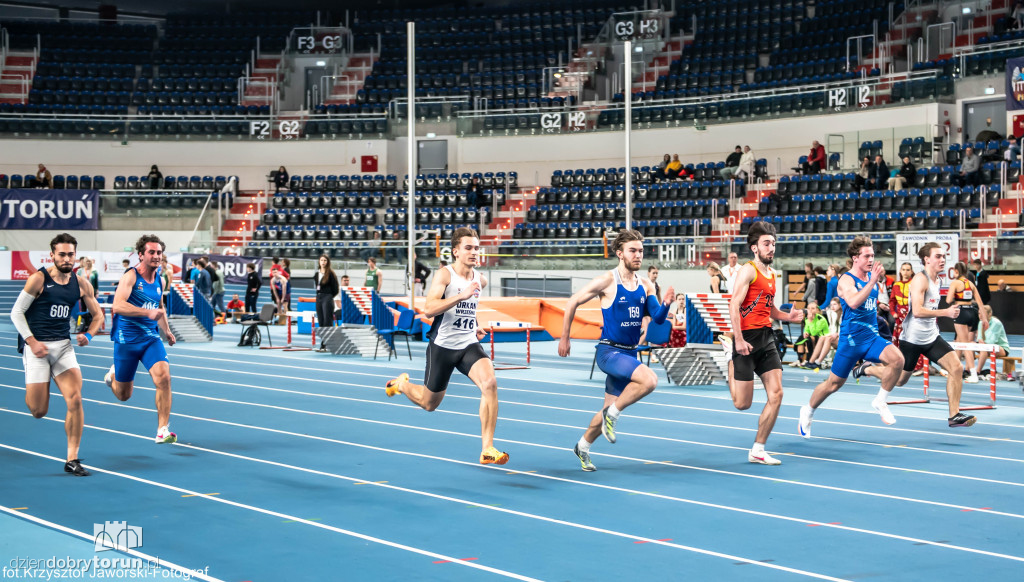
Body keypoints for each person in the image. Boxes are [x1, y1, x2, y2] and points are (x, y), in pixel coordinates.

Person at [384, 228, 510, 465]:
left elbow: (470, 309)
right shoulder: (445, 275)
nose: (474, 252)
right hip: (442, 346)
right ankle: (401, 384)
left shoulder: (479, 280)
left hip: (467, 344)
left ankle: (487, 448)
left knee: (490, 383)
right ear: (456, 252)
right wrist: (460, 296)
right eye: (468, 248)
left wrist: (475, 325)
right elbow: (429, 309)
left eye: (476, 248)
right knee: (429, 404)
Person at [557, 229, 674, 471]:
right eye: (633, 250)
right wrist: (564, 338)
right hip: (610, 353)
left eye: (641, 250)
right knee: (650, 380)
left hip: (629, 353)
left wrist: (666, 304)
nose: (638, 255)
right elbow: (572, 302)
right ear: (620, 254)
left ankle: (582, 446)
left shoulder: (645, 284)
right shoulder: (607, 281)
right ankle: (614, 413)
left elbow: (658, 319)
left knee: (603, 414)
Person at [11, 233, 103, 476]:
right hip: (37, 348)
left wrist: (90, 335)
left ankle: (72, 458)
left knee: (75, 399)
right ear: (52, 255)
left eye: (70, 254)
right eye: (61, 254)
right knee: (38, 411)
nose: (66, 258)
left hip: (63, 347)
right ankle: (37, 384)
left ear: (76, 255)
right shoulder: (37, 279)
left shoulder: (82, 283)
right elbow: (16, 313)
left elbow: (99, 315)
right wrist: (31, 342)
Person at [858, 243, 977, 427]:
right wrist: (945, 313)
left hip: (931, 338)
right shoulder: (921, 280)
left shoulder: (938, 280)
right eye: (938, 256)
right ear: (926, 259)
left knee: (956, 368)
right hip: (912, 340)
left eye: (944, 256)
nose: (943, 259)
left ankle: (954, 415)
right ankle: (867, 369)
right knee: (899, 381)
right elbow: (919, 311)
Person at [798, 236, 906, 438]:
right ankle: (808, 410)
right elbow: (854, 302)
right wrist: (873, 281)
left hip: (871, 337)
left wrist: (878, 306)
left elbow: (866, 306)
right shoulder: (847, 279)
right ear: (856, 258)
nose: (871, 259)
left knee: (898, 360)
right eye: (867, 256)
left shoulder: (870, 279)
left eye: (873, 255)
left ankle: (880, 400)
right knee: (834, 384)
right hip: (851, 341)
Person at [720, 221, 804, 464]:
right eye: (766, 243)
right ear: (754, 247)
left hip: (766, 338)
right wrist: (738, 341)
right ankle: (730, 361)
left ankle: (758, 448)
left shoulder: (771, 274)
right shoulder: (748, 271)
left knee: (777, 394)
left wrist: (788, 316)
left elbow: (770, 309)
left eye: (773, 244)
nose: (771, 248)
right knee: (742, 404)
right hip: (745, 339)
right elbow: (734, 305)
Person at [103, 235, 178, 444]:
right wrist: (146, 313)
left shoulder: (160, 279)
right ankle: (113, 376)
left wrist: (167, 331)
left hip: (150, 339)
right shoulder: (131, 276)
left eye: (159, 253)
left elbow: (159, 308)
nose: (156, 256)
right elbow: (117, 305)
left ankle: (162, 429)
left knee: (163, 378)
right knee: (124, 395)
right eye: (151, 252)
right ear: (141, 255)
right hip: (126, 341)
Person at [947, 261, 989, 384]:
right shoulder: (970, 283)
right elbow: (980, 302)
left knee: (965, 345)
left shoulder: (955, 283)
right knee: (961, 342)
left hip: (961, 312)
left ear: (956, 271)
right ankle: (954, 369)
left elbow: (949, 299)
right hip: (972, 312)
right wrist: (985, 318)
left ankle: (973, 373)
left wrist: (956, 296)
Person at [806, 297, 842, 369]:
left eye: (835, 304)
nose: (832, 306)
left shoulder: (844, 315)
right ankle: (811, 361)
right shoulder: (831, 313)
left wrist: (837, 334)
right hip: (834, 338)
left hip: (844, 339)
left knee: (828, 338)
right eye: (831, 305)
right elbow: (831, 328)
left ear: (840, 305)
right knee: (822, 337)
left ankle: (819, 362)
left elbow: (847, 330)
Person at [976, 305, 1009, 377]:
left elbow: (992, 341)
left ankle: (977, 372)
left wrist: (981, 342)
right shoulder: (980, 323)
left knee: (984, 349)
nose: (980, 316)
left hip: (1001, 348)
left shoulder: (996, 323)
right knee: (970, 346)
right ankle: (969, 370)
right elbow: (979, 338)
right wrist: (980, 341)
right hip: (985, 346)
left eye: (982, 313)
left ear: (989, 314)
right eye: (979, 313)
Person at [314, 254, 339, 349]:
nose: (323, 262)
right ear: (319, 262)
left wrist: (329, 296)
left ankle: (326, 343)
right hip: (319, 298)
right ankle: (324, 340)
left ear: (327, 262)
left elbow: (335, 289)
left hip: (327, 298)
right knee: (321, 321)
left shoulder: (331, 274)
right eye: (321, 260)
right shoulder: (317, 274)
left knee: (327, 320)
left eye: (325, 260)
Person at [795, 302, 828, 367]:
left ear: (817, 310)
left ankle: (809, 360)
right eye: (808, 308)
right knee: (802, 338)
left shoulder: (821, 319)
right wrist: (805, 333)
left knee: (810, 339)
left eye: (813, 308)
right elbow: (807, 329)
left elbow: (815, 332)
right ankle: (800, 360)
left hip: (823, 338)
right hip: (812, 337)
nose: (810, 310)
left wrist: (810, 320)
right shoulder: (807, 318)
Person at [890, 262, 914, 345]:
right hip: (899, 316)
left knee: (912, 337)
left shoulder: (915, 284)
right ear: (900, 271)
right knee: (899, 338)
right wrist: (893, 312)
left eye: (908, 270)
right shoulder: (896, 285)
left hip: (912, 314)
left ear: (911, 271)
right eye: (903, 269)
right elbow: (892, 301)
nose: (905, 272)